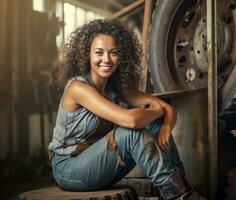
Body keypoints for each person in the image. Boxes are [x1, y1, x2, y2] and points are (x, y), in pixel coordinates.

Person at [48, 19, 206, 200]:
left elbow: (168, 108)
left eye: (113, 53)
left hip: (99, 163)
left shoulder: (116, 89)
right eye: (99, 53)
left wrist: (165, 127)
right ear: (87, 55)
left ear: (121, 56)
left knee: (155, 124)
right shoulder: (78, 88)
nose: (106, 59)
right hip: (68, 168)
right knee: (131, 133)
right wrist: (156, 111)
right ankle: (180, 196)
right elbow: (130, 120)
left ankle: (181, 186)